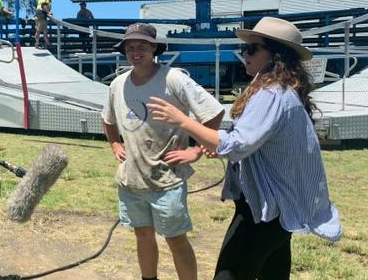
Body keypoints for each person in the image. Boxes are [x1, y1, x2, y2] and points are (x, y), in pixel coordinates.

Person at [148, 17, 342, 280]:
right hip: (280, 206)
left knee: (230, 274)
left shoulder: (272, 93)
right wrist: (216, 143)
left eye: (252, 49)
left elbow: (236, 145)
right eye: (244, 49)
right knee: (273, 273)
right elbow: (251, 140)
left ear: (276, 56)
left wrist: (182, 120)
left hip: (265, 209)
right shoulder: (282, 91)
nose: (244, 55)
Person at [102, 23, 224, 280]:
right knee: (142, 235)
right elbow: (108, 119)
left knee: (175, 239)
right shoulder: (118, 84)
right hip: (132, 179)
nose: (136, 52)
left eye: (142, 46)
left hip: (166, 179)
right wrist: (115, 143)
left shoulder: (173, 79)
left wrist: (197, 150)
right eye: (130, 47)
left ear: (154, 48)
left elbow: (213, 112)